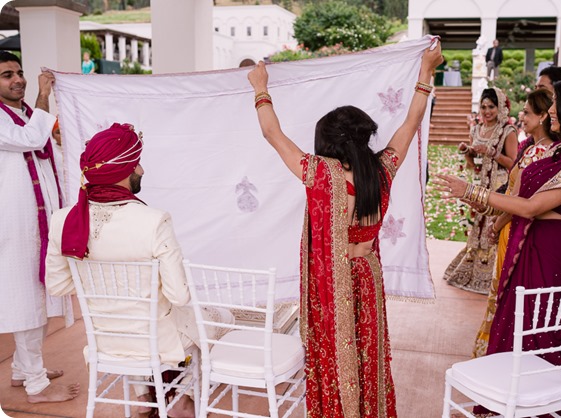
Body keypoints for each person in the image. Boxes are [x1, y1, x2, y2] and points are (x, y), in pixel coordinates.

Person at [247, 41, 443, 417]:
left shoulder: (320, 173)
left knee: (336, 360)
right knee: (367, 357)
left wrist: (260, 87)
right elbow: (411, 123)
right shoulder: (382, 170)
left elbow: (273, 134)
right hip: (365, 275)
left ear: (329, 144)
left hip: (331, 285)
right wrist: (425, 71)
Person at [434, 76, 561, 417]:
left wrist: (471, 192)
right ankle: (512, 401)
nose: (550, 111)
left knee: (536, 327)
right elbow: (525, 198)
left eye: (556, 105)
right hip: (531, 242)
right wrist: (493, 206)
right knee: (518, 323)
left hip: (549, 254)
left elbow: (532, 207)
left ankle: (535, 403)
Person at [45, 123, 232, 417]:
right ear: (122, 170)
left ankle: (146, 399)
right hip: (156, 340)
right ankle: (181, 400)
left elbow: (57, 286)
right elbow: (179, 295)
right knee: (220, 319)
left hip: (106, 340)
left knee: (155, 325)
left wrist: (106, 289)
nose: (142, 170)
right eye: (137, 164)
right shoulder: (154, 221)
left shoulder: (61, 220)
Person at [0, 51, 79, 403]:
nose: (18, 79)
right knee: (26, 302)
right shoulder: (19, 119)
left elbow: (51, 155)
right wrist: (45, 95)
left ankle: (22, 369)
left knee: (41, 296)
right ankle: (36, 386)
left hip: (41, 222)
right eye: (7, 75)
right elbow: (31, 139)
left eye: (19, 72)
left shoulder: (27, 115)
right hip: (15, 226)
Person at [471, 88, 558, 357]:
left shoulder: (540, 153)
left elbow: (522, 199)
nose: (521, 115)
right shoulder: (531, 148)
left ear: (543, 116)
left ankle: (498, 351)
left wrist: (496, 225)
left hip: (514, 226)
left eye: (527, 112)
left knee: (504, 290)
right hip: (509, 219)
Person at [444, 87, 517, 294]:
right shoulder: (476, 129)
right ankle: (473, 271)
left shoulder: (507, 131)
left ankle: (492, 274)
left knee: (493, 226)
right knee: (478, 224)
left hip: (499, 186)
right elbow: (472, 162)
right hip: (479, 183)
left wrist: (492, 152)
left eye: (491, 107)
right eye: (483, 107)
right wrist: (467, 151)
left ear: (500, 107)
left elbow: (514, 164)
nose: (487, 111)